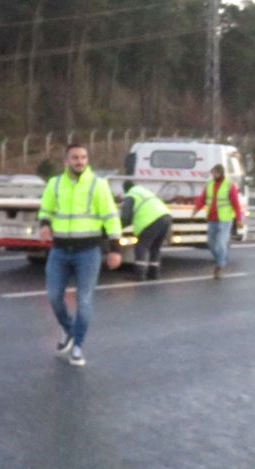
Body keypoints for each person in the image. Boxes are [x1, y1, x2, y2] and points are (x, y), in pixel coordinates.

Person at [37, 143, 123, 367]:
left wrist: (115, 249)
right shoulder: (55, 184)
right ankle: (69, 331)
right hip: (59, 250)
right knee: (55, 297)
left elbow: (111, 217)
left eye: (83, 157)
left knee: (84, 301)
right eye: (75, 157)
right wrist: (44, 225)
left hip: (88, 252)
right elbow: (45, 209)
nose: (80, 161)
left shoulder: (98, 185)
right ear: (66, 161)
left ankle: (77, 346)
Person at [191, 163, 244, 279]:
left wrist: (239, 219)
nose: (214, 175)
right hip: (212, 219)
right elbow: (203, 198)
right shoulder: (209, 184)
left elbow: (236, 203)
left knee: (220, 243)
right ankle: (222, 258)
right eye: (213, 173)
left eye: (216, 173)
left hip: (225, 220)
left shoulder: (229, 185)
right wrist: (196, 209)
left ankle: (219, 267)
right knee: (211, 243)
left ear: (221, 173)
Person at [119, 181, 172, 280]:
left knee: (141, 247)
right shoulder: (144, 192)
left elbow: (126, 217)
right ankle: (154, 273)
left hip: (151, 221)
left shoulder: (131, 195)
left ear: (125, 189)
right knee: (155, 248)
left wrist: (118, 228)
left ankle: (139, 274)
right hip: (166, 217)